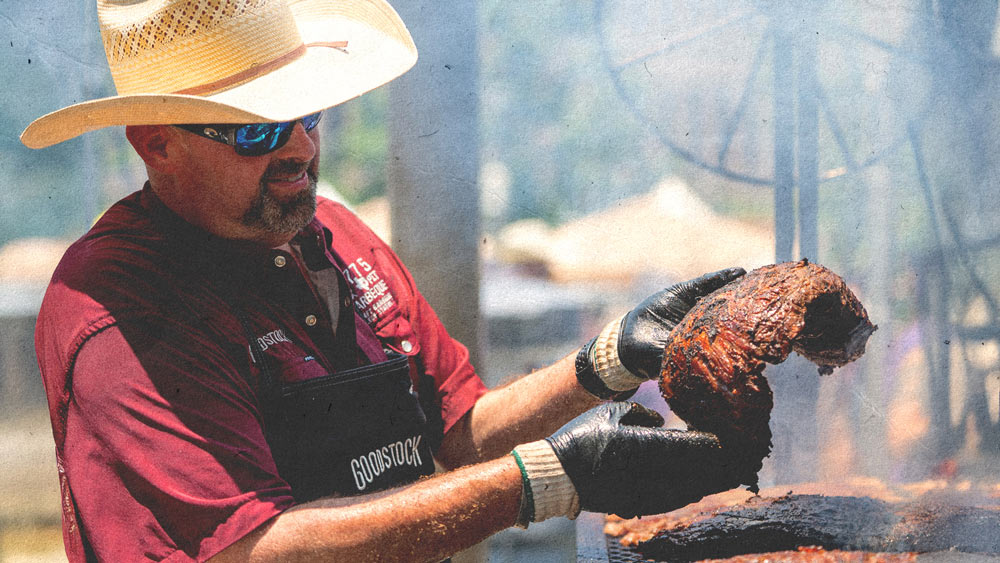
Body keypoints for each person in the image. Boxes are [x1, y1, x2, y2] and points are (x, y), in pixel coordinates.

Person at [22, 1, 746, 561]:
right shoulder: (121, 301)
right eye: (254, 130)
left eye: (308, 112)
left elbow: (461, 430)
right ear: (157, 144)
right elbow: (253, 548)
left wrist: (607, 362)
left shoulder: (337, 234)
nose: (301, 147)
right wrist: (546, 479)